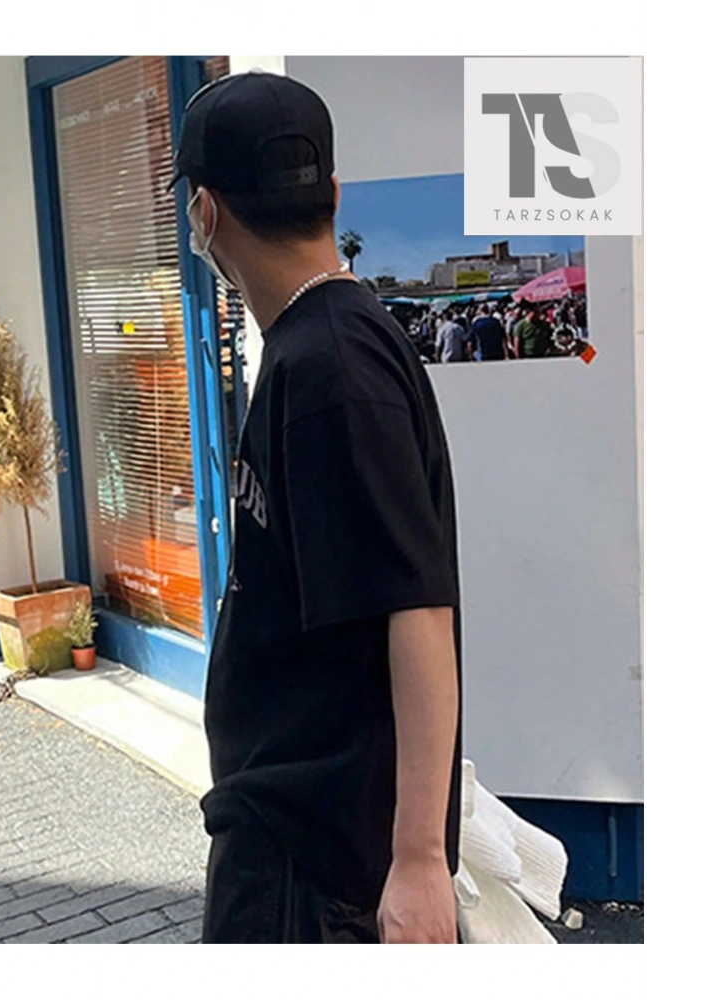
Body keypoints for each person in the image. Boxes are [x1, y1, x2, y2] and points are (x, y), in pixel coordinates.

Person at [167, 72, 463, 945]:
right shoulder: (326, 342)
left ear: (205, 212)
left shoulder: (331, 366)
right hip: (299, 843)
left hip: (313, 868)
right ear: (331, 194)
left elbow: (416, 608)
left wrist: (419, 858)